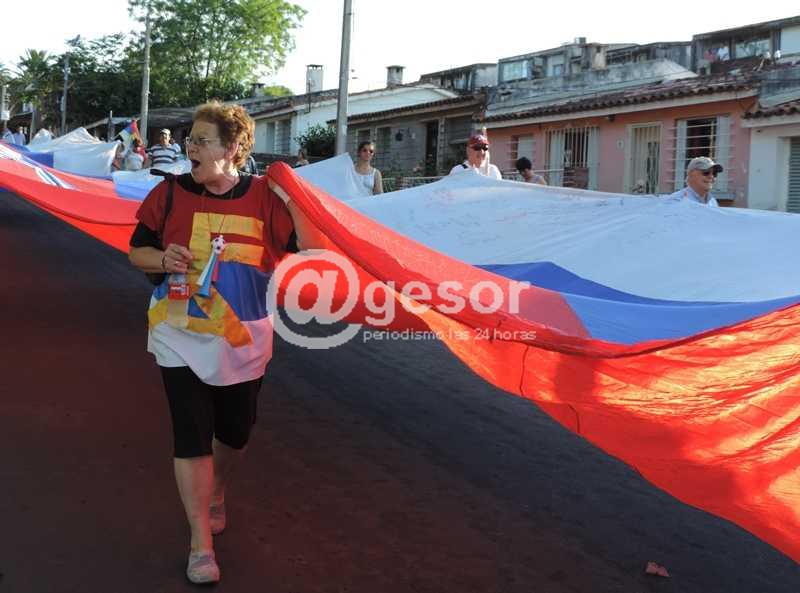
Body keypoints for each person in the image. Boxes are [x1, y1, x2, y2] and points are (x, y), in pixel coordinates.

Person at [128, 101, 326, 584]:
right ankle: (201, 543)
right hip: (178, 331)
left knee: (236, 431)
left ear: (233, 148)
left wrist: (292, 193)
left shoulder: (264, 198)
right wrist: (163, 259)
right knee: (191, 433)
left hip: (243, 337)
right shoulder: (169, 193)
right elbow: (137, 251)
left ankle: (216, 490)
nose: (191, 149)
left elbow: (314, 246)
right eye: (190, 140)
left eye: (202, 141)